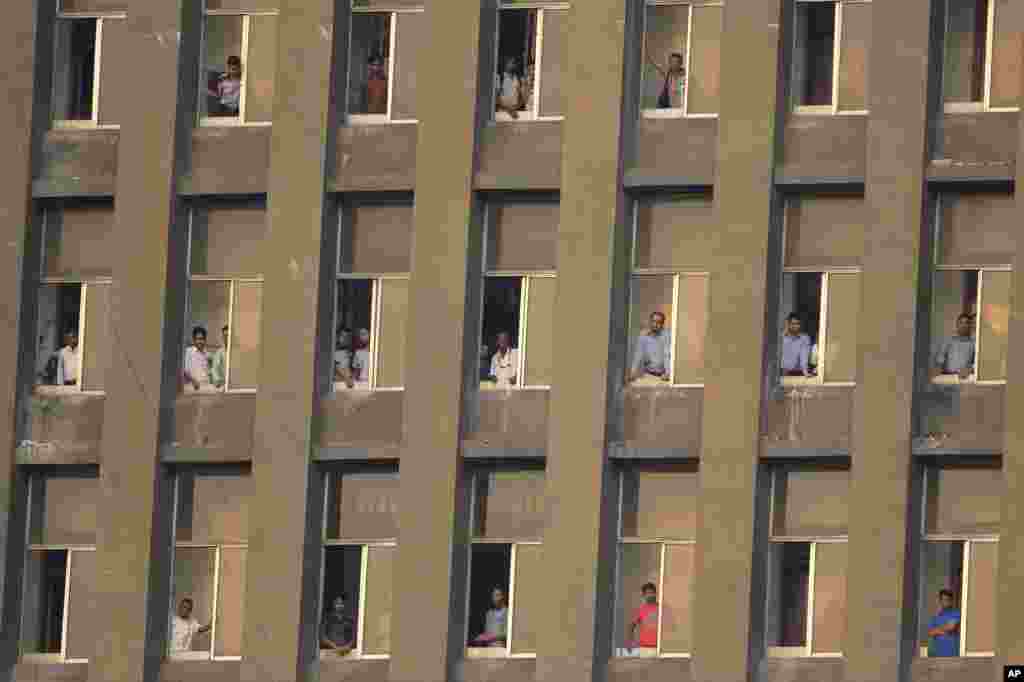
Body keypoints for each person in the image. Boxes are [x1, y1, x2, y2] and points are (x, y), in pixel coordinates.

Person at [630, 312, 671, 383]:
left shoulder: (667, 335)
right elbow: (638, 354)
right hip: (648, 374)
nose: (655, 324)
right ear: (650, 322)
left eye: (659, 322)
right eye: (653, 321)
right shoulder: (643, 336)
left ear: (662, 324)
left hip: (663, 376)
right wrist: (633, 372)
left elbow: (667, 355)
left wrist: (668, 373)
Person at [933, 314, 975, 379]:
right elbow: (940, 359)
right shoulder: (948, 340)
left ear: (970, 326)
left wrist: (970, 369)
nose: (964, 325)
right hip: (947, 376)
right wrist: (937, 373)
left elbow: (977, 363)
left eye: (967, 323)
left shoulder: (973, 343)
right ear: (957, 325)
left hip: (965, 378)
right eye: (961, 323)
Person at [927, 589, 961, 657]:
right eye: (943, 599)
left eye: (947, 599)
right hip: (937, 654)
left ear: (951, 601)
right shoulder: (936, 616)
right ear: (940, 601)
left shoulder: (956, 613)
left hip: (952, 654)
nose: (945, 602)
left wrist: (938, 630)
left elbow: (951, 627)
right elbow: (930, 632)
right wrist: (945, 630)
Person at [628, 582, 659, 653]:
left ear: (655, 594)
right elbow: (631, 626)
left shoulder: (660, 609)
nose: (650, 595)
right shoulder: (641, 609)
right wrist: (629, 643)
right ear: (643, 595)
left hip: (658, 647)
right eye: (647, 593)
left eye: (652, 593)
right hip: (644, 647)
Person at [183, 326, 212, 392]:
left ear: (205, 340)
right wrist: (193, 381)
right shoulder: (188, 352)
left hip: (205, 387)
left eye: (202, 339)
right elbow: (184, 370)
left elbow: (210, 372)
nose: (200, 341)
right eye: (198, 339)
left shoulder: (208, 354)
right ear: (194, 340)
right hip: (191, 386)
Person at [210, 325, 229, 389]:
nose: (226, 338)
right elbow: (214, 369)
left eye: (228, 336)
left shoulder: (237, 352)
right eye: (224, 336)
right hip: (224, 385)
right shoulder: (219, 352)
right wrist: (218, 380)